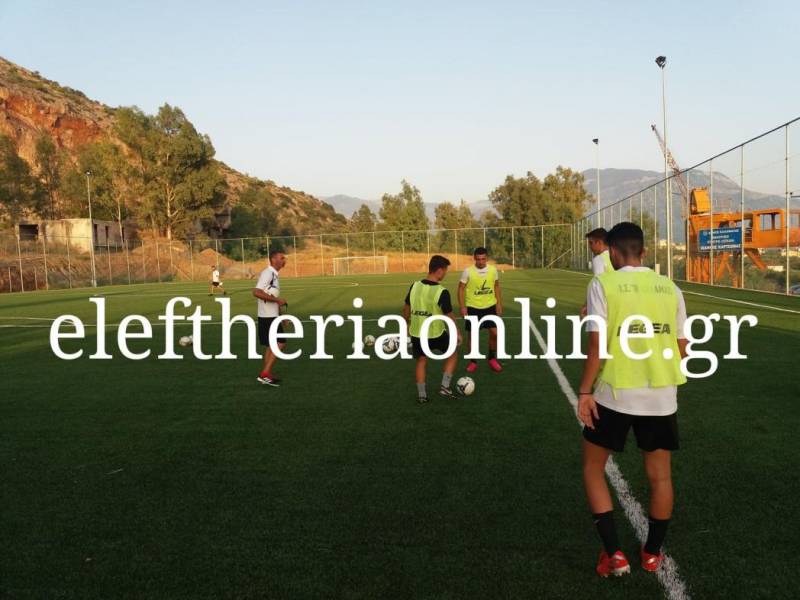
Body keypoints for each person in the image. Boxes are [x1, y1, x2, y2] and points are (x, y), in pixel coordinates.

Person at [577, 222, 687, 577]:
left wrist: (585, 391)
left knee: (593, 468)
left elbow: (596, 348)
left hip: (615, 394)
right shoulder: (670, 287)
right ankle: (652, 554)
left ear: (611, 251)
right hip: (661, 398)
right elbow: (682, 347)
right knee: (660, 478)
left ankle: (614, 555)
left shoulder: (603, 284)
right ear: (644, 251)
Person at [403, 255, 462, 403]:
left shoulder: (415, 286)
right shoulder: (442, 291)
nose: (446, 273)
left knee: (421, 361)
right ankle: (445, 387)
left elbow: (406, 308)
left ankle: (422, 396)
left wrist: (407, 323)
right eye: (445, 270)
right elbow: (449, 315)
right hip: (436, 334)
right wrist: (457, 332)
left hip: (417, 333)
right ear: (440, 270)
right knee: (453, 353)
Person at [458, 247, 503, 373]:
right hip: (473, 308)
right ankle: (473, 361)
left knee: (495, 334)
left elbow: (496, 286)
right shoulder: (468, 271)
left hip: (490, 307)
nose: (481, 262)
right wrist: (462, 306)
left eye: (483, 259)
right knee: (472, 336)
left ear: (487, 258)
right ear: (474, 258)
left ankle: (492, 358)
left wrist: (499, 304)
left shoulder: (493, 270)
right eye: (478, 259)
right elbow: (461, 288)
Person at [253, 250, 288, 387]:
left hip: (271, 316)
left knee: (271, 345)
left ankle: (266, 374)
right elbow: (256, 292)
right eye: (281, 258)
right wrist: (278, 300)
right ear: (273, 259)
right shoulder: (267, 273)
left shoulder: (274, 275)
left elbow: (272, 297)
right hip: (268, 316)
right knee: (280, 343)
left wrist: (282, 317)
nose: (284, 260)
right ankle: (265, 373)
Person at [581, 228, 611, 316]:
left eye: (591, 243)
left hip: (604, 304)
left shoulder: (599, 259)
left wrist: (587, 304)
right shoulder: (616, 256)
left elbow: (598, 286)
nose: (590, 247)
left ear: (599, 242)